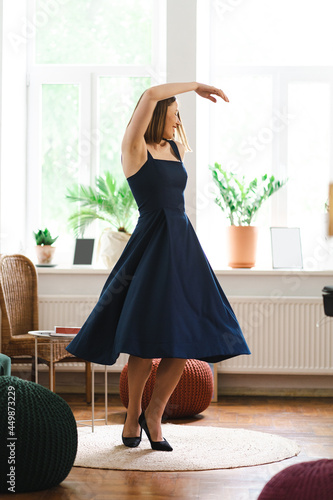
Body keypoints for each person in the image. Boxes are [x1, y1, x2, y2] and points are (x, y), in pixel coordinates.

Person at [66, 82, 250, 452]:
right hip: (150, 248)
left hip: (182, 248)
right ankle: (132, 415)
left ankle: (155, 414)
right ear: (156, 114)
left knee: (183, 339)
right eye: (175, 113)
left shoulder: (177, 149)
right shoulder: (134, 150)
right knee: (143, 339)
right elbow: (150, 93)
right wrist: (196, 85)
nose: (179, 120)